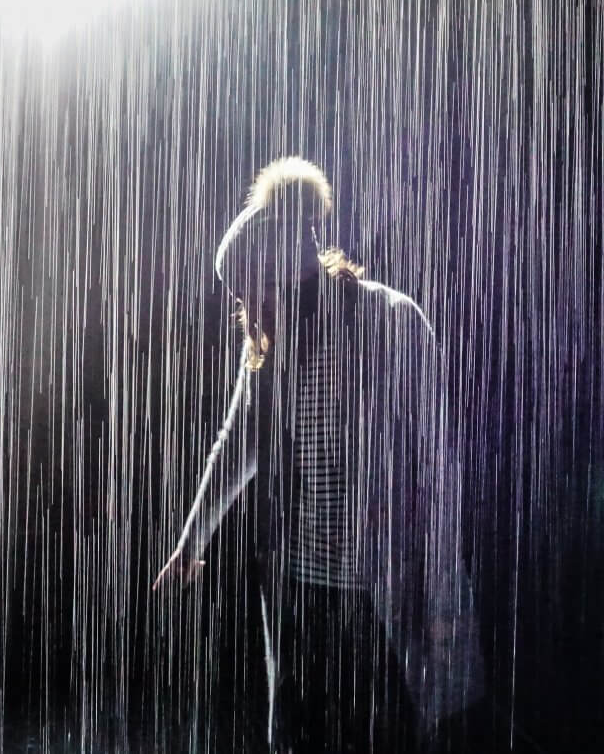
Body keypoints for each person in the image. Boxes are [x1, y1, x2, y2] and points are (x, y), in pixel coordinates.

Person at [153, 157, 484, 753]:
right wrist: (190, 542)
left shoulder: (391, 322)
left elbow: (436, 472)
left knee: (383, 737)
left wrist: (443, 600)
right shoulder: (271, 352)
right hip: (303, 594)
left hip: (378, 596)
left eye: (255, 291)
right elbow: (237, 445)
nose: (249, 311)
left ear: (293, 276)